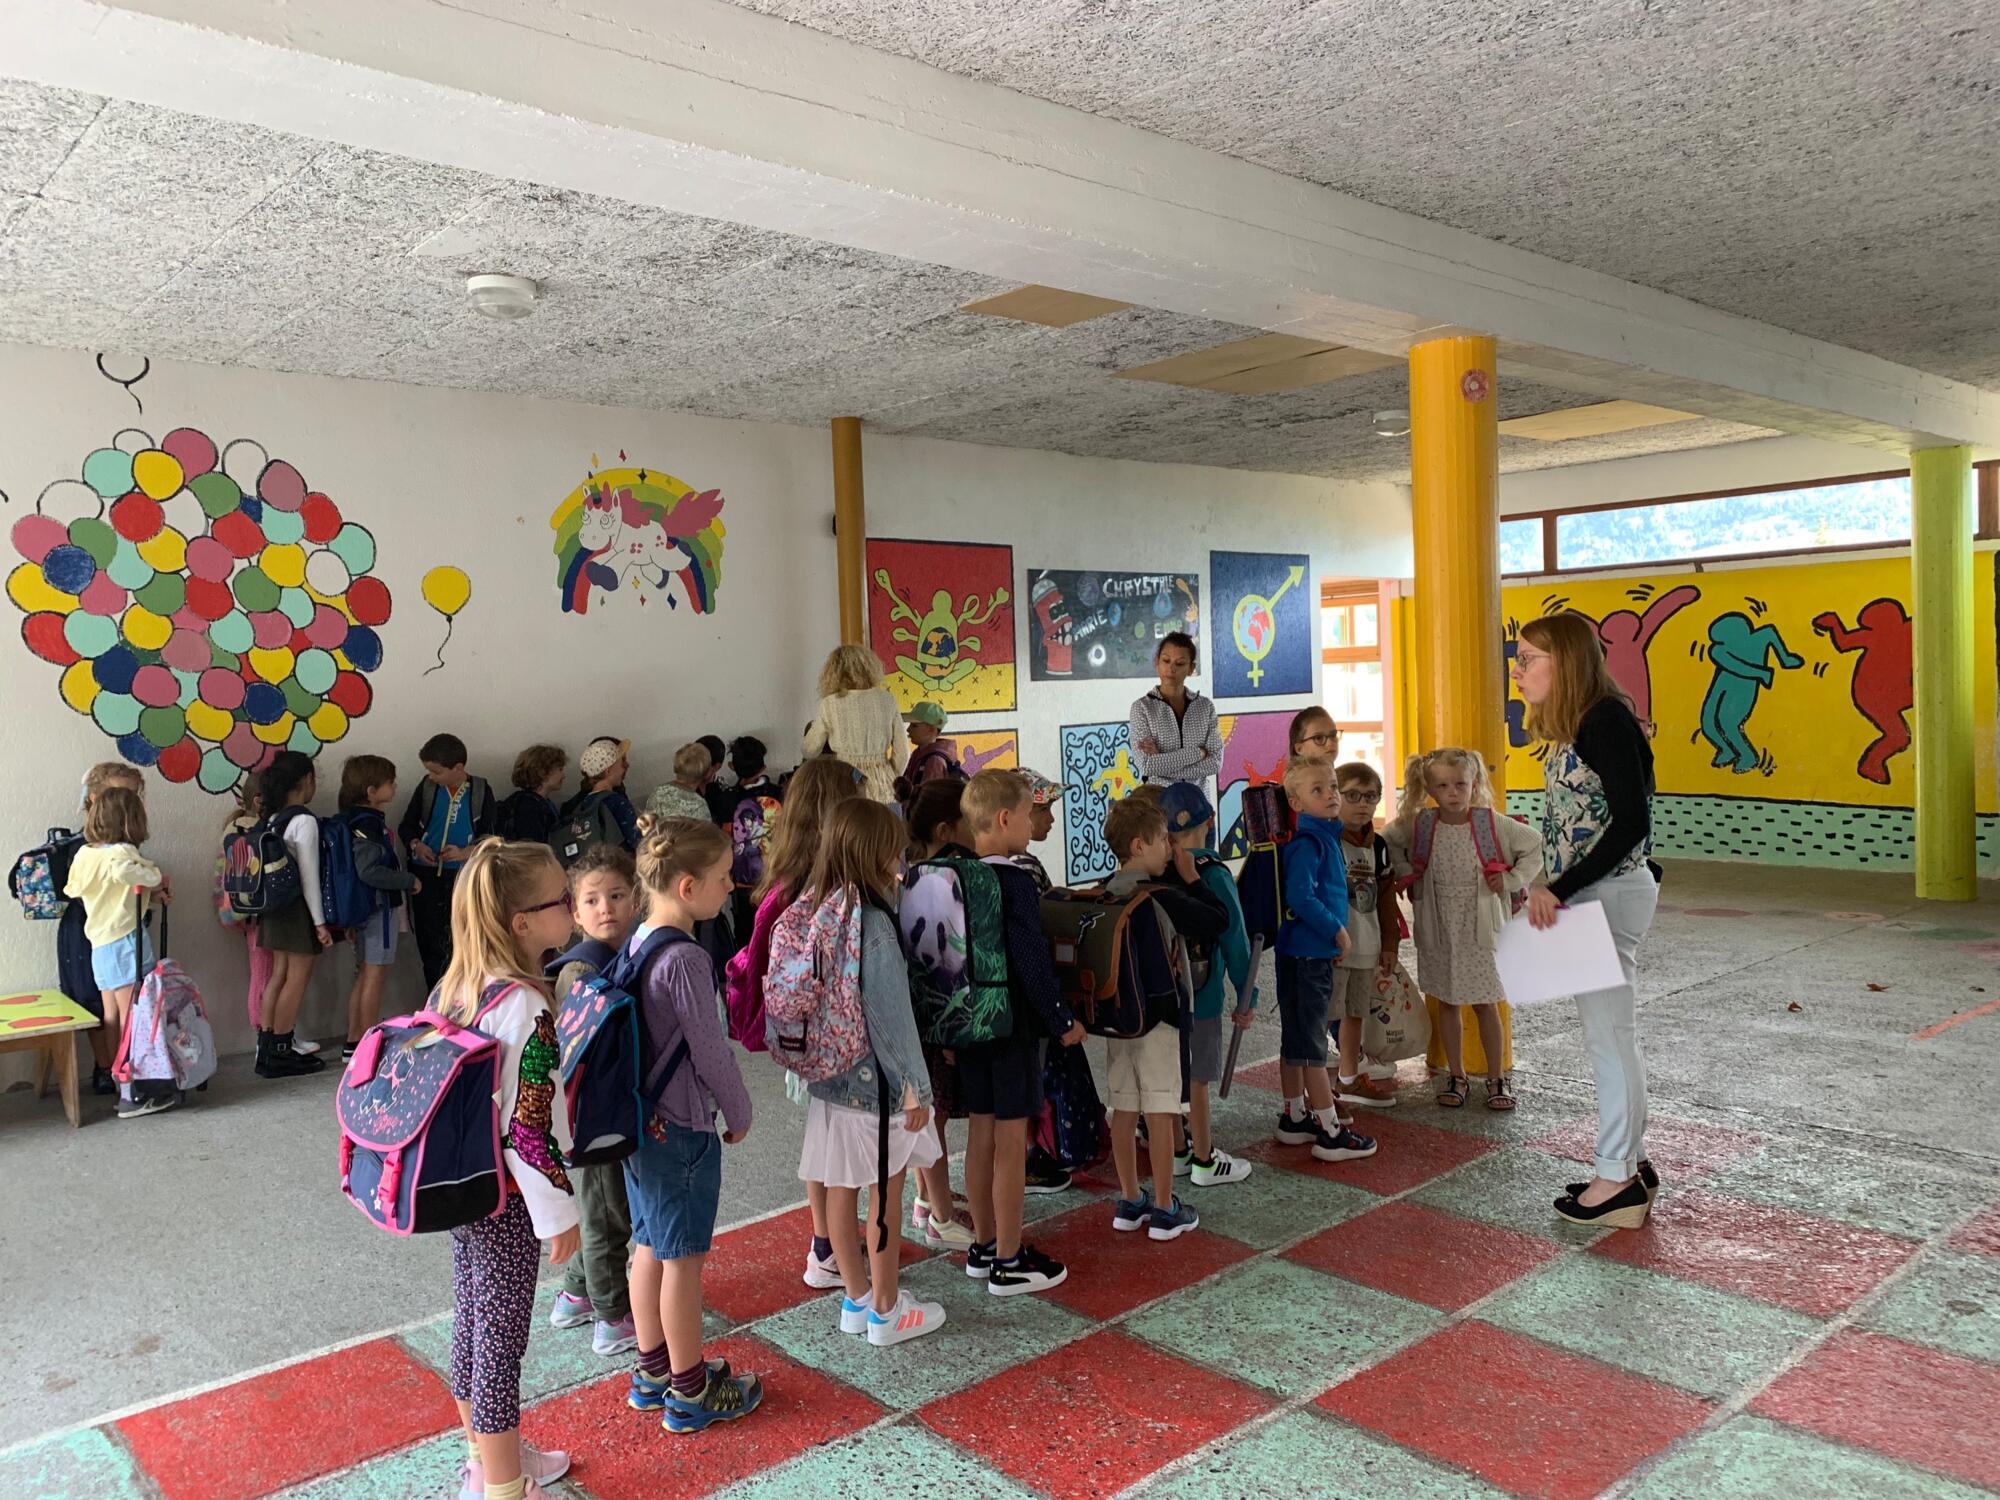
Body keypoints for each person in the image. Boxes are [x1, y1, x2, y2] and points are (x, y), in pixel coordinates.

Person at [432, 839, 581, 1500]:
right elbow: (531, 1124)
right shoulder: (528, 1007)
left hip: (463, 1188)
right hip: (511, 1198)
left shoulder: (457, 987)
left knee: (472, 1322)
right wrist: (560, 1214)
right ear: (523, 923)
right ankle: (502, 1486)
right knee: (500, 1344)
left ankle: (486, 1458)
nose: (572, 907)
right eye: (563, 899)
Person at [1514, 611, 1662, 1231]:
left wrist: (1559, 888)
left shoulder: (1603, 720)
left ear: (1566, 662)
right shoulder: (1584, 722)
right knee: (1611, 1034)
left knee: (1609, 1038)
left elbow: (1632, 822)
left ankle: (1616, 1179)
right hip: (1596, 894)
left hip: (1604, 896)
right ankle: (1631, 1162)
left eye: (1528, 659)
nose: (1518, 671)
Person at [622, 816, 765, 1433]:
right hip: (681, 1127)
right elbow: (711, 1051)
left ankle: (653, 1371)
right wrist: (739, 1110)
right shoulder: (685, 958)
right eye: (723, 877)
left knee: (649, 1245)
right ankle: (690, 1391)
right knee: (683, 1260)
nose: (731, 886)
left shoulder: (638, 941)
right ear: (687, 886)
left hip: (640, 1124)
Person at [797, 799, 947, 1346]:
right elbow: (890, 1015)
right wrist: (914, 1088)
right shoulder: (875, 924)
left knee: (840, 1189)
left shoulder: (823, 908)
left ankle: (857, 1299)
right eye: (894, 850)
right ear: (876, 853)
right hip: (876, 1087)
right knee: (886, 1191)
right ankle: (887, 1310)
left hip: (830, 1077)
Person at [725, 757, 868, 1282]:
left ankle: (824, 1243)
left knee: (821, 1138)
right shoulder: (831, 885)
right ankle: (837, 1253)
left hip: (799, 1035)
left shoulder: (784, 879)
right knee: (845, 1149)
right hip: (839, 1038)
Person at [960, 769, 1086, 1296]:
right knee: (1012, 1141)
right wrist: (1062, 1021)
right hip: (1011, 1026)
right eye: (1030, 813)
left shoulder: (957, 875)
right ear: (1005, 818)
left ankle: (984, 1244)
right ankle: (1009, 1260)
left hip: (968, 1023)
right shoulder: (1014, 882)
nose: (1034, 823)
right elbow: (1032, 964)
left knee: (980, 1135)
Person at [1385, 748, 1543, 1113]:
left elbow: (1533, 844)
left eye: (1460, 784)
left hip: (1481, 930)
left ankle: (1496, 1076)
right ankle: (1456, 1075)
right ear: (1429, 788)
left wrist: (1512, 879)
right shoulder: (1420, 824)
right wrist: (1406, 871)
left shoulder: (1491, 824)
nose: (1453, 792)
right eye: (1442, 785)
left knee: (1487, 1003)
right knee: (1448, 1002)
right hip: (1439, 927)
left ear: (1475, 784)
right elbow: (1390, 840)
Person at [1099, 796, 1225, 1240]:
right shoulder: (1161, 896)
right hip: (1160, 1022)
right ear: (1139, 845)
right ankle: (1165, 1207)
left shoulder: (1104, 891)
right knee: (1159, 1108)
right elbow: (1217, 920)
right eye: (1161, 841)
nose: (1169, 850)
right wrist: (1193, 880)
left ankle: (1130, 1199)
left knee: (1123, 1107)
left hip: (1118, 1021)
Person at [545, 846, 641, 1357]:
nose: (606, 908)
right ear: (575, 912)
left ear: (636, 898)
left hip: (609, 1110)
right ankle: (612, 1316)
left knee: (602, 1209)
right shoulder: (582, 970)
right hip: (590, 1117)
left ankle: (576, 1293)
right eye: (592, 900)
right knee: (605, 1215)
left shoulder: (626, 955)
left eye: (617, 895)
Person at [1272, 758, 1375, 1161]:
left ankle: (1295, 1116)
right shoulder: (1309, 844)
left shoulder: (1322, 838)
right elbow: (1300, 897)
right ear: (1296, 802)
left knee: (1297, 1038)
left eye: (1332, 786)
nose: (1331, 795)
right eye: (1319, 789)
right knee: (1312, 1044)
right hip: (1307, 955)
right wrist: (1336, 930)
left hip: (1303, 953)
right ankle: (1330, 1131)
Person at [1158, 783, 1257, 1186]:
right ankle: (1204, 1159)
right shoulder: (1214, 874)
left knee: (1170, 1077)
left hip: (1163, 996)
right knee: (1198, 1078)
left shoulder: (1156, 871)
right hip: (1204, 996)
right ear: (1211, 822)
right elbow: (1236, 941)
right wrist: (1248, 996)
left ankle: (1179, 1151)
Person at [63, 785, 170, 1119]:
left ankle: (118, 1082)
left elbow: (78, 888)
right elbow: (129, 872)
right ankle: (134, 1089)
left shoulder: (85, 855)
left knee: (111, 1015)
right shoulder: (121, 853)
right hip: (126, 941)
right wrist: (155, 877)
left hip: (99, 943)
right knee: (133, 1015)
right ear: (131, 820)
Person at [63, 762, 145, 1095]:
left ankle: (115, 1072)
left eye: (133, 795)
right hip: (107, 932)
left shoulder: (93, 850)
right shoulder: (110, 851)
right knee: (117, 1006)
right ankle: (123, 1074)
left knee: (111, 1006)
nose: (128, 802)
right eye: (119, 794)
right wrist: (153, 881)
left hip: (102, 933)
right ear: (94, 798)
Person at [1329, 762, 1402, 1109]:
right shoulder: (1327, 840)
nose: (1363, 804)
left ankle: (1348, 1078)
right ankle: (1314, 1090)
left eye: (1371, 797)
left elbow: (1387, 899)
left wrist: (1390, 943)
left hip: (1365, 945)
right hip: (1331, 947)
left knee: (1354, 1013)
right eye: (1353, 796)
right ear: (1336, 797)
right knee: (1322, 1015)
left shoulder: (1379, 846)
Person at [254, 751, 330, 1078]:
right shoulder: (304, 821)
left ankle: (267, 1048)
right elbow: (309, 878)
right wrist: (319, 922)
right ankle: (283, 1050)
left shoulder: (274, 819)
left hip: (272, 908)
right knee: (297, 978)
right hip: (297, 909)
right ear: (306, 780)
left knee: (279, 975)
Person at [400, 734, 497, 991]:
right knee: (430, 945)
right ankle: (436, 1001)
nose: (431, 776)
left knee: (464, 942)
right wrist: (417, 845)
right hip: (426, 878)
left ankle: (465, 1001)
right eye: (429, 771)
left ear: (458, 768)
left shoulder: (480, 790)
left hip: (463, 878)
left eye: (437, 771)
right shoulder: (427, 788)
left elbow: (492, 836)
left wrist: (466, 852)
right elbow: (406, 826)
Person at [338, 754, 418, 1060]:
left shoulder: (350, 819)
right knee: (374, 975)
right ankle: (366, 1043)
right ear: (371, 791)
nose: (395, 787)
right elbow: (369, 870)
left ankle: (353, 1040)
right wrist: (407, 880)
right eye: (390, 783)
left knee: (364, 974)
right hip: (378, 909)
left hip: (361, 909)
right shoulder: (368, 824)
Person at [804, 645, 907, 804]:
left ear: (833, 672)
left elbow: (810, 750)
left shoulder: (830, 703)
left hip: (845, 781)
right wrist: (889, 774)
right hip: (884, 786)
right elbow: (902, 753)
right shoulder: (887, 699)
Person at [215, 779, 272, 1068]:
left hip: (247, 910)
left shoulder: (235, 828)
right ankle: (267, 1034)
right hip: (259, 910)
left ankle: (272, 1031)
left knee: (264, 971)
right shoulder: (253, 830)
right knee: (264, 974)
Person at [1128, 632, 1222, 797]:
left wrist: (1162, 762)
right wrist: (1198, 753)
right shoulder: (1142, 708)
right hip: (1159, 803)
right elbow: (1146, 765)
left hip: (1198, 803)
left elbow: (1215, 763)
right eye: (1166, 661)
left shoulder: (1205, 707)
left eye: (1180, 663)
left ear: (1191, 668)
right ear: (1156, 661)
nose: (1171, 668)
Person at [563, 737, 641, 853]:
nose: (624, 768)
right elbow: (638, 841)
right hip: (622, 860)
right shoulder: (617, 802)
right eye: (621, 764)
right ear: (608, 771)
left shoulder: (585, 803)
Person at [496, 745, 567, 845]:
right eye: (560, 769)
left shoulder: (540, 802)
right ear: (543, 772)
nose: (563, 775)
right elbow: (533, 848)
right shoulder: (528, 808)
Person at [707, 736, 779, 826]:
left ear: (731, 766)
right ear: (763, 768)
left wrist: (710, 785)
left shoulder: (725, 801)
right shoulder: (778, 794)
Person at [645, 743, 714, 823]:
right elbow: (706, 830)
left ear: (675, 767)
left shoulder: (658, 792)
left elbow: (647, 823)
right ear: (707, 774)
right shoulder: (699, 806)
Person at [902, 701, 961, 790]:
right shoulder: (920, 753)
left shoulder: (934, 760)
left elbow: (929, 796)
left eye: (914, 725)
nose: (908, 729)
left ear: (931, 729)